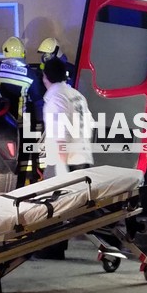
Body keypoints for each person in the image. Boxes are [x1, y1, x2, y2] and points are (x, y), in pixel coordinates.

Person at [35, 57, 94, 259]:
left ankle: (52, 249)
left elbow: (60, 131)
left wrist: (60, 165)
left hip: (65, 159)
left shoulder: (55, 98)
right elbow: (89, 123)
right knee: (77, 205)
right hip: (82, 155)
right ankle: (108, 234)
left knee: (52, 206)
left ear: (45, 77)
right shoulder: (76, 94)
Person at [0, 36, 43, 122]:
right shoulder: (30, 74)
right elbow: (38, 102)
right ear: (23, 53)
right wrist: (41, 122)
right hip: (22, 121)